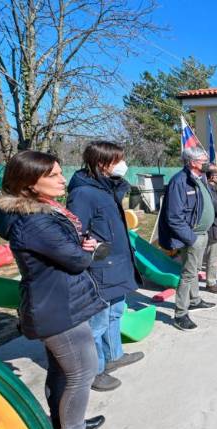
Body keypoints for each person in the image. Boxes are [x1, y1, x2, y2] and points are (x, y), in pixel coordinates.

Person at [0, 151, 106, 429]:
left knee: (62, 371)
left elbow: (64, 249)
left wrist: (78, 244)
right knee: (82, 373)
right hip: (58, 309)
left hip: (59, 301)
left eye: (60, 172)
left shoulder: (43, 210)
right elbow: (76, 261)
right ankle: (72, 427)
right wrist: (86, 250)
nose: (62, 180)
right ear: (29, 183)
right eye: (52, 175)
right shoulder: (35, 221)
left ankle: (64, 422)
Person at [66, 141, 144, 392]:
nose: (123, 164)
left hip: (118, 264)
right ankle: (95, 370)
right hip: (100, 267)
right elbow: (75, 231)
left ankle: (114, 356)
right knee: (96, 323)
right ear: (101, 164)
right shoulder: (83, 193)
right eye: (117, 160)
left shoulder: (105, 188)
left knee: (115, 313)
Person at [158, 147, 216, 332]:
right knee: (188, 274)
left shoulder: (200, 178)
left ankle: (194, 300)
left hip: (202, 234)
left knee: (195, 270)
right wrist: (191, 239)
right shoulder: (180, 181)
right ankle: (180, 314)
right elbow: (173, 217)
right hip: (192, 236)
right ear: (192, 162)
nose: (207, 162)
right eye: (203, 159)